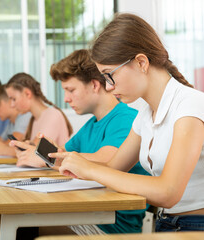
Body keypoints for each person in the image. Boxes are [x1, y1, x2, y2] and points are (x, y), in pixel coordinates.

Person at [50, 13, 204, 232]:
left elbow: (168, 192)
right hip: (166, 225)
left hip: (194, 228)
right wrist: (71, 163)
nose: (109, 87)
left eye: (109, 75)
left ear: (141, 62)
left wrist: (90, 170)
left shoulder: (190, 105)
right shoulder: (145, 114)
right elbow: (114, 167)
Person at [5, 72, 73, 166]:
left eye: (13, 99)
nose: (12, 105)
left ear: (27, 93)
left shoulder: (52, 115)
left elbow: (37, 152)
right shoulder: (33, 120)